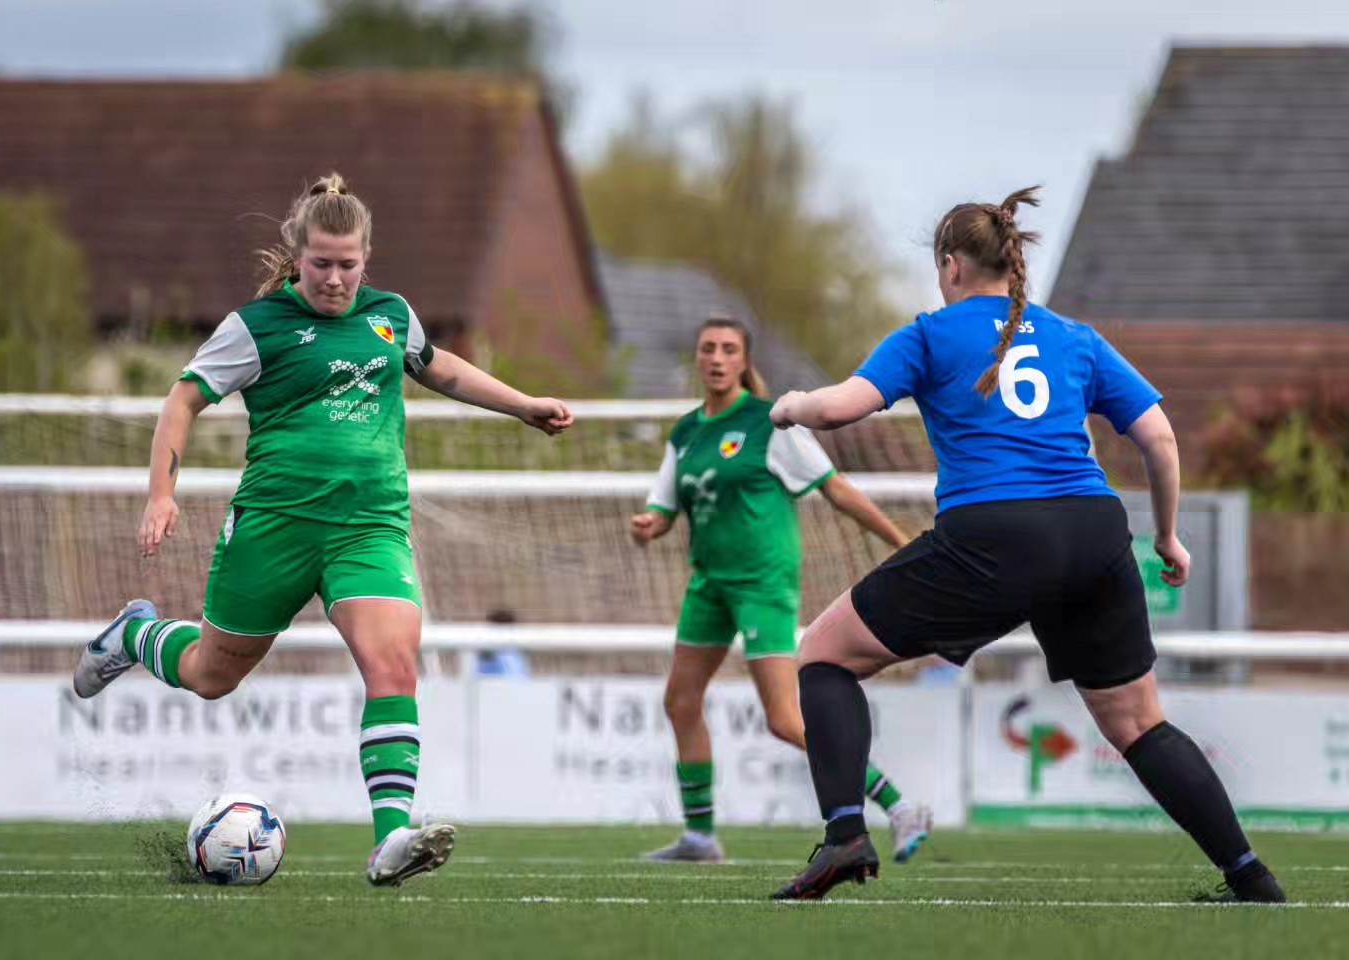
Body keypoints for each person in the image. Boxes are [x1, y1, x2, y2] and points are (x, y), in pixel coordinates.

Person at [766, 188, 1285, 904]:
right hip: (1093, 531)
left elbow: (835, 409)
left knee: (824, 656)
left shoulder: (928, 335)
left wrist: (788, 405)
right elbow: (1160, 440)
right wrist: (1166, 536)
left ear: (951, 265)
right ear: (1010, 263)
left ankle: (845, 833)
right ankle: (1250, 876)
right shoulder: (1074, 336)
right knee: (1139, 722)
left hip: (994, 537)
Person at [71, 174, 573, 887]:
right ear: (297, 255)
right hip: (274, 527)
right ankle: (134, 635)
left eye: (348, 264)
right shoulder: (257, 326)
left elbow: (440, 369)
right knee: (211, 675)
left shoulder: (390, 315)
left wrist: (522, 404)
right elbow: (182, 400)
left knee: (393, 664)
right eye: (321, 264)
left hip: (369, 527)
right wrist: (161, 494)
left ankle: (391, 838)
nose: (335, 279)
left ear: (367, 258)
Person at [632, 315, 932, 865]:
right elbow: (664, 505)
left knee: (785, 720)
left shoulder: (769, 423)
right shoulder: (686, 432)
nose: (717, 358)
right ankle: (699, 838)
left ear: (744, 361)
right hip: (709, 584)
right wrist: (650, 524)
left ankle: (900, 806)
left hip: (762, 585)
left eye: (728, 349)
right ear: (696, 358)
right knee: (680, 701)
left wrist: (899, 540)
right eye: (707, 348)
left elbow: (835, 489)